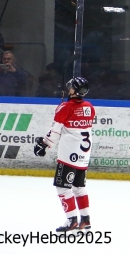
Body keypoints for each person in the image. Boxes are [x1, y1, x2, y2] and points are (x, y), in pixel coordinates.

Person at [33, 76, 95, 232]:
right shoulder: (89, 107)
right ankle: (85, 220)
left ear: (75, 90)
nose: (69, 89)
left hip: (69, 155)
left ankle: (72, 220)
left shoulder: (65, 107)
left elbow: (56, 131)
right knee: (79, 187)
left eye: (71, 87)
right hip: (83, 155)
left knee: (62, 187)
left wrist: (45, 144)